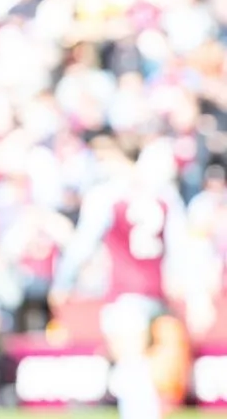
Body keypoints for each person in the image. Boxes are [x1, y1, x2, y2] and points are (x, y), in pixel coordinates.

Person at [49, 145, 215, 419]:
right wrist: (197, 294)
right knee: (141, 368)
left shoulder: (110, 197)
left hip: (124, 293)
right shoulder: (165, 197)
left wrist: (63, 283)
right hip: (156, 293)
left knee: (131, 366)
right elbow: (182, 250)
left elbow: (84, 243)